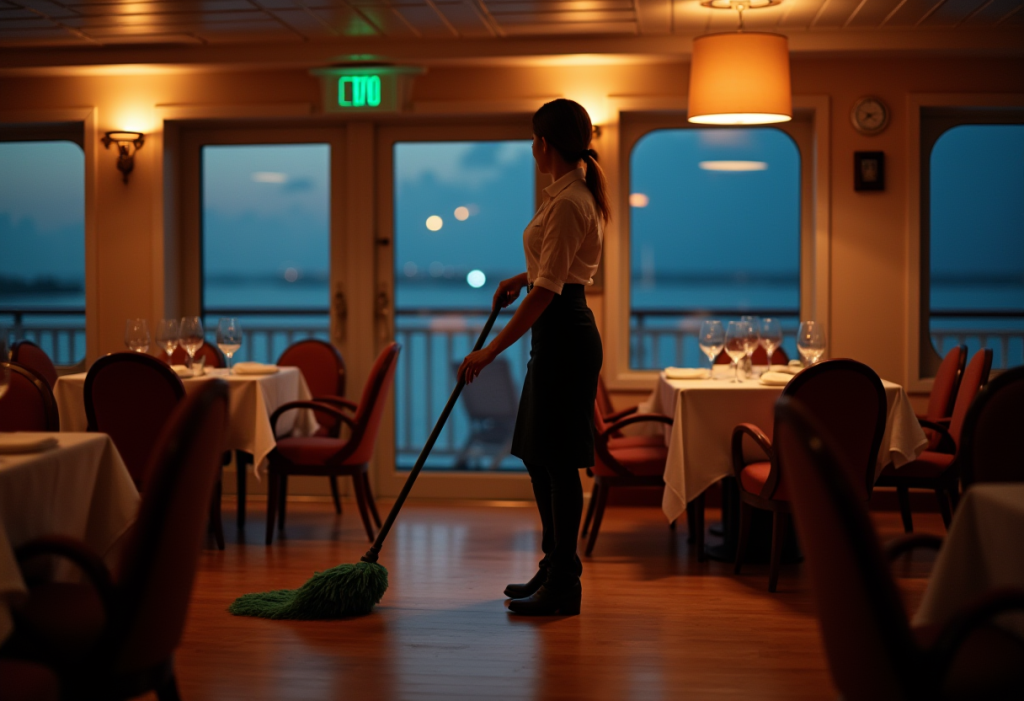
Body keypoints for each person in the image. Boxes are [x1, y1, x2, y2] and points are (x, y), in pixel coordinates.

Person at [458, 98, 608, 616]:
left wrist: (489, 349)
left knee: (559, 463)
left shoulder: (570, 200)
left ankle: (565, 582)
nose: (531, 147)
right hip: (558, 333)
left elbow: (550, 291)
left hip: (564, 332)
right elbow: (554, 267)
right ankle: (553, 565)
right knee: (538, 457)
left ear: (545, 144)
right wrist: (518, 277)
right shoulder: (566, 194)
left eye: (533, 139)